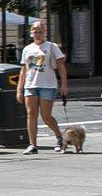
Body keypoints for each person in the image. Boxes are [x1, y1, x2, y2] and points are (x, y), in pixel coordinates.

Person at [17, 19, 67, 154]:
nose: (37, 34)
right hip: (31, 84)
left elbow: (61, 66)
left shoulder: (52, 46)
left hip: (47, 85)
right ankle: (32, 144)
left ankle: (59, 136)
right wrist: (19, 89)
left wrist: (64, 84)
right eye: (35, 32)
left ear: (44, 32)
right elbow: (23, 69)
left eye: (40, 32)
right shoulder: (27, 49)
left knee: (46, 116)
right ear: (31, 33)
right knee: (31, 114)